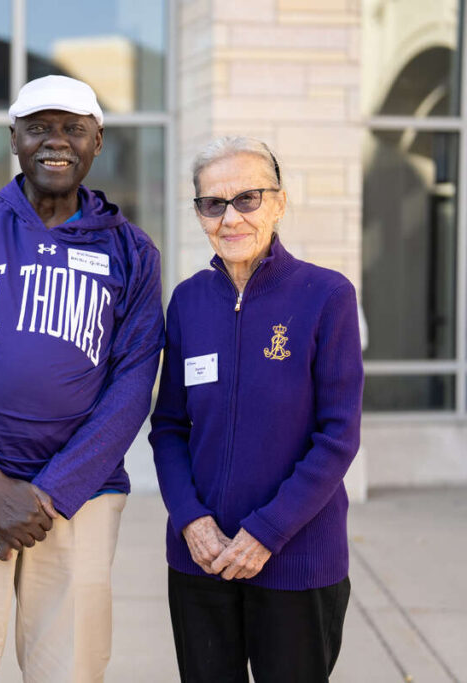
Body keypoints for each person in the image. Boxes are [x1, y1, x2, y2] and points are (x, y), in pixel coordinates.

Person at [0, 75, 164, 682]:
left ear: (97, 142)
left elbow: (132, 386)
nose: (57, 141)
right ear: (13, 138)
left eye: (73, 129)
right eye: (39, 128)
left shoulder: (131, 250)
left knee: (69, 667)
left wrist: (44, 495)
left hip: (81, 496)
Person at [149, 136, 364, 682]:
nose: (230, 218)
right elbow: (170, 426)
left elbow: (337, 436)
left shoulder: (326, 295)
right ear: (199, 212)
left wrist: (266, 533)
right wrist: (190, 521)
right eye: (212, 203)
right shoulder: (190, 300)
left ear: (279, 203)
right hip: (201, 559)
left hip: (296, 560)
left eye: (248, 198)